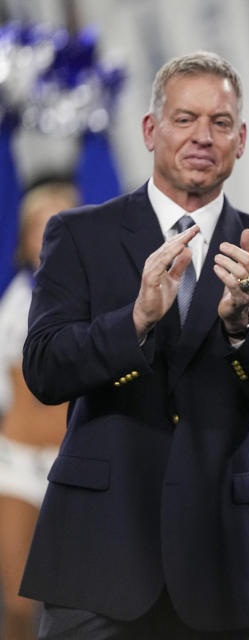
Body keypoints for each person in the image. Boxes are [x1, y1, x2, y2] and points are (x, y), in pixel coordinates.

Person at [20, 51, 249, 639]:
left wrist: (241, 329)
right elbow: (46, 369)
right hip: (97, 554)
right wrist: (134, 321)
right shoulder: (79, 235)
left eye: (220, 122)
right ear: (152, 130)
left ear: (242, 140)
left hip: (219, 558)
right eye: (185, 119)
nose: (203, 136)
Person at [0, 180, 76, 640]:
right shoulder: (10, 301)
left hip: (74, 465)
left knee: (78, 602)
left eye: (57, 228)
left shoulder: (94, 299)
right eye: (38, 229)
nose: (46, 239)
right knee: (18, 603)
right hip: (16, 464)